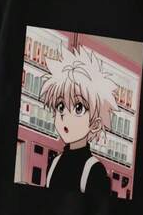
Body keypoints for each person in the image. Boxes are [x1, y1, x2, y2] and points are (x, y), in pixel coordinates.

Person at [40, 44, 117, 195]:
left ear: (95, 124)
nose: (65, 115)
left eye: (78, 108)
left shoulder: (95, 170)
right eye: (61, 106)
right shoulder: (54, 162)